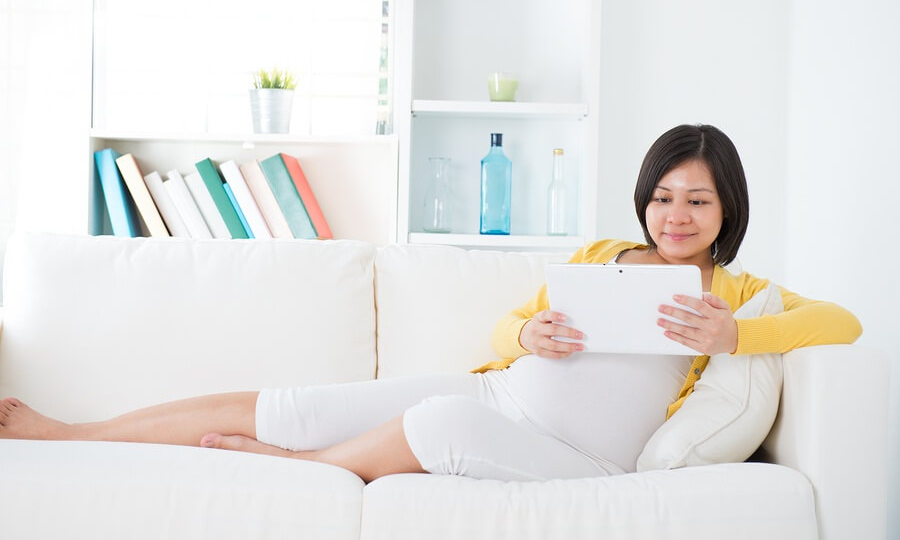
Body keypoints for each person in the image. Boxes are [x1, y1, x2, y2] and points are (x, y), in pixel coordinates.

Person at [0, 124, 861, 483]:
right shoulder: (603, 255)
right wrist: (528, 328)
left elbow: (843, 323)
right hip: (501, 391)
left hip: (566, 454)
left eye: (698, 201)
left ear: (727, 211)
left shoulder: (742, 293)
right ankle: (71, 432)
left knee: (440, 419)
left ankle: (303, 473)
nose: (676, 216)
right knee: (290, 400)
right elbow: (502, 329)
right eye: (664, 196)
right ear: (644, 198)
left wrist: (738, 331)